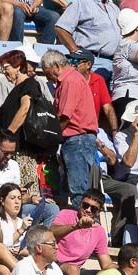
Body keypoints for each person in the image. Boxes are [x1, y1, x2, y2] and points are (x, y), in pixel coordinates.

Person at [41, 51, 99, 207]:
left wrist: (51, 139)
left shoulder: (70, 81)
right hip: (77, 139)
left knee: (78, 189)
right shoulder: (71, 80)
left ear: (56, 66)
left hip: (77, 139)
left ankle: (82, 226)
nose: (47, 78)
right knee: (72, 187)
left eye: (47, 73)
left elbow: (65, 116)